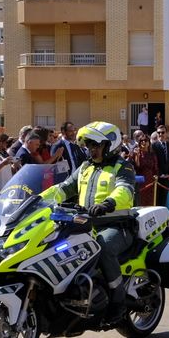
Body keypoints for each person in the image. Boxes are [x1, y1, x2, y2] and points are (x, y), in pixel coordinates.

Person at [39, 121, 137, 312]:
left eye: (96, 145)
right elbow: (63, 188)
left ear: (110, 144)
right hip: (85, 223)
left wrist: (107, 204)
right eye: (89, 145)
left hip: (116, 225)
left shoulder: (122, 167)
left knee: (103, 246)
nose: (91, 149)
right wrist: (36, 199)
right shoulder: (85, 167)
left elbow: (124, 190)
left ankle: (118, 300)